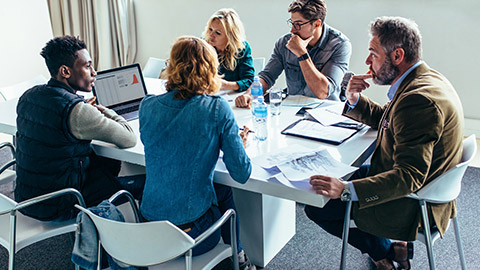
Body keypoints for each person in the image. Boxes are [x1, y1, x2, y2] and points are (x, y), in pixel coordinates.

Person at [304, 16, 464, 270]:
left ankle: (384, 251)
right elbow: (390, 119)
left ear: (397, 55)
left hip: (414, 201)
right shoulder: (424, 79)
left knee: (317, 205)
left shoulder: (417, 101)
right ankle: (395, 250)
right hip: (428, 182)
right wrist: (354, 99)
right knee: (339, 175)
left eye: (373, 54)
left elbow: (408, 177)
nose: (368, 62)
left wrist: (346, 190)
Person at [139, 36, 256, 270]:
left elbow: (164, 145)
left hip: (148, 229)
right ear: (211, 70)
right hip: (192, 237)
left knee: (214, 188)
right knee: (224, 190)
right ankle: (240, 260)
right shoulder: (216, 108)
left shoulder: (147, 105)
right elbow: (242, 173)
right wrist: (237, 145)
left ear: (170, 66)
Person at [15, 36, 144, 221]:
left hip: (27, 198)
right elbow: (129, 138)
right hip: (64, 201)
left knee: (103, 162)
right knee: (147, 182)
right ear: (65, 71)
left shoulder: (29, 96)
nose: (94, 72)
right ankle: (132, 240)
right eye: (87, 66)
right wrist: (106, 111)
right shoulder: (77, 110)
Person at [235, 0, 351, 108]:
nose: (292, 30)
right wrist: (249, 94)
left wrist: (302, 53)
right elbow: (267, 76)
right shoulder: (284, 43)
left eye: (298, 24)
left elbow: (323, 92)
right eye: (292, 23)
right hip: (293, 108)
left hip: (324, 111)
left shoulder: (340, 45)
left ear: (316, 24)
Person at [203, 8, 255, 92]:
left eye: (218, 33)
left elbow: (249, 81)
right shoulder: (202, 46)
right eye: (210, 29)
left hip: (232, 97)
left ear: (230, 37)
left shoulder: (242, 48)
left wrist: (226, 85)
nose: (211, 35)